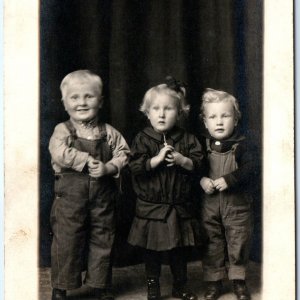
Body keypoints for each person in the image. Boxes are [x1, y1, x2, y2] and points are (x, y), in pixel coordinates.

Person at [49, 70, 130, 300]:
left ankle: (100, 284)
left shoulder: (109, 132)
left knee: (103, 236)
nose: (82, 102)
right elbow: (58, 153)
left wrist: (109, 168)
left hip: (102, 197)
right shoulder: (63, 130)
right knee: (67, 238)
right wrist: (84, 160)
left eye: (89, 96)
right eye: (74, 97)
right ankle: (61, 286)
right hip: (70, 197)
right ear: (64, 103)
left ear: (101, 101)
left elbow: (125, 154)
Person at [128, 77, 204, 300]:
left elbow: (198, 165)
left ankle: (180, 285)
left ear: (180, 113)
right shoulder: (142, 139)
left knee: (178, 251)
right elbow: (135, 167)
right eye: (156, 109)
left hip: (179, 207)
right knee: (151, 251)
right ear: (147, 112)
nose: (161, 114)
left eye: (168, 109)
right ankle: (153, 286)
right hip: (151, 208)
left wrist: (182, 160)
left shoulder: (188, 139)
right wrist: (157, 159)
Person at [199, 88, 257, 300]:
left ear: (236, 119)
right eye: (213, 117)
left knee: (238, 241)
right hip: (210, 205)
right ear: (205, 122)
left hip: (238, 206)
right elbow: (197, 169)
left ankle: (239, 281)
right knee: (211, 241)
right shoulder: (201, 145)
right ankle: (214, 282)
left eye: (225, 115)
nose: (219, 122)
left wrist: (229, 179)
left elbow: (251, 168)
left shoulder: (243, 145)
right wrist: (202, 179)